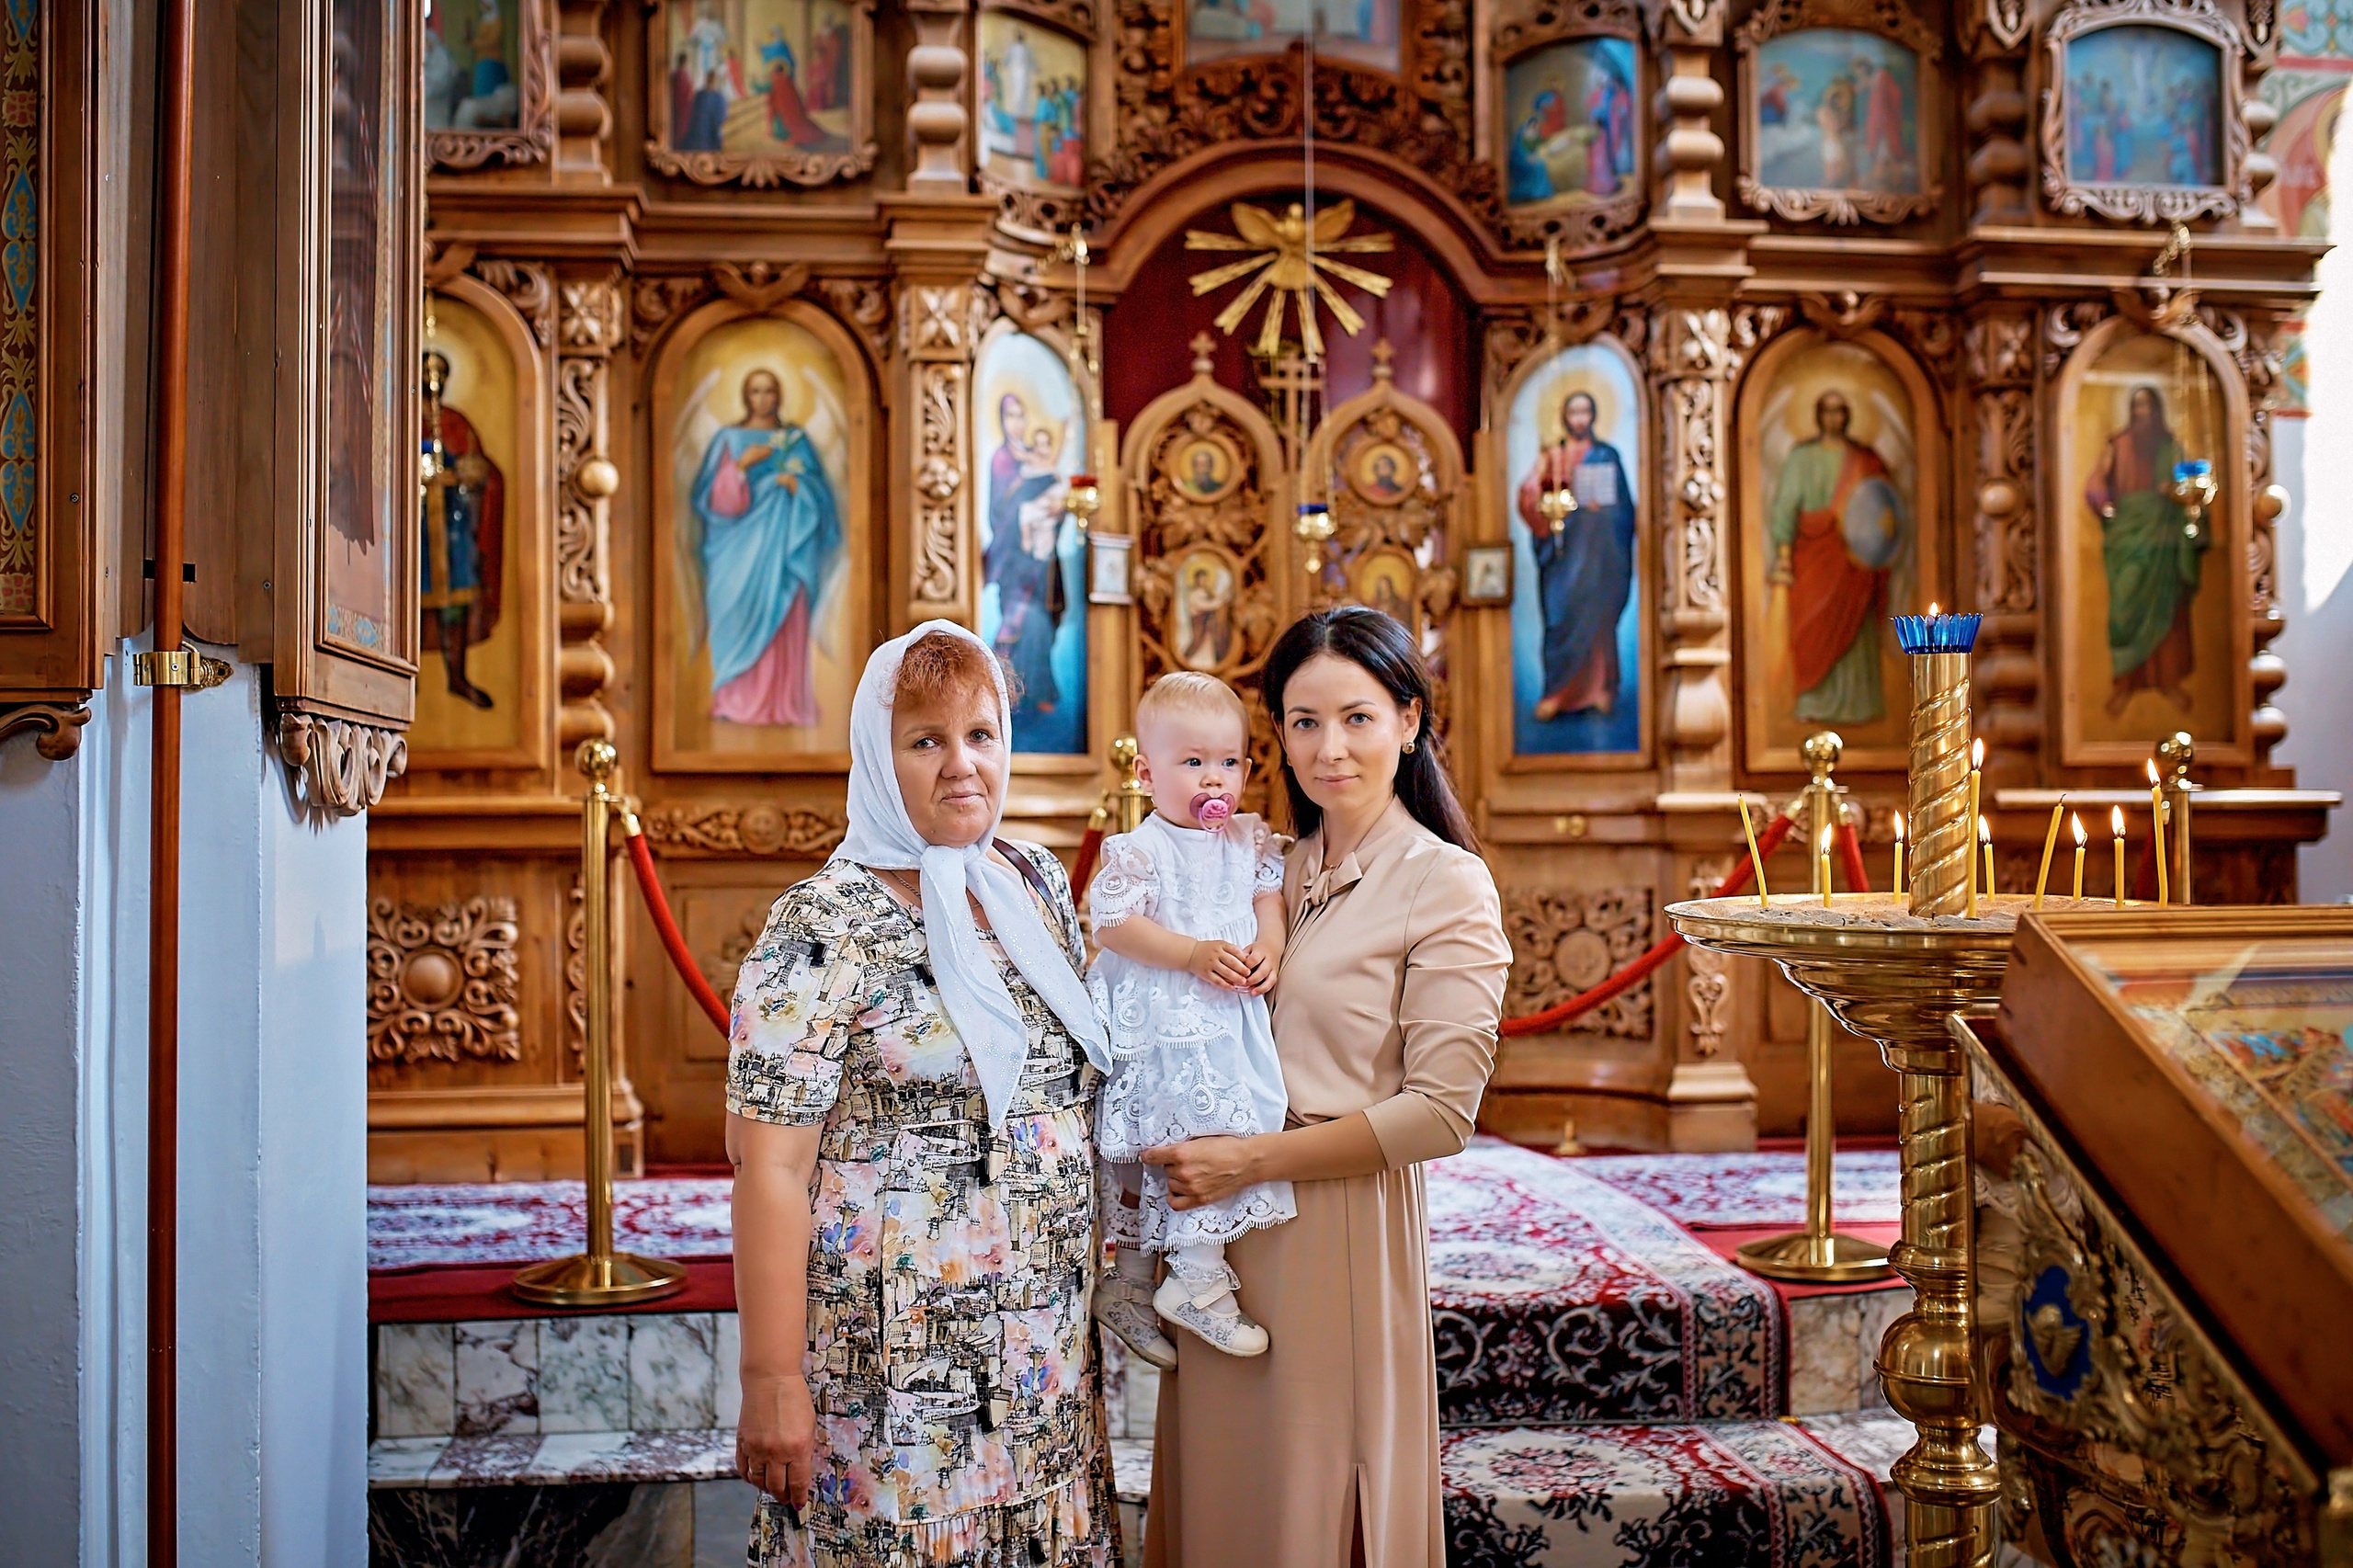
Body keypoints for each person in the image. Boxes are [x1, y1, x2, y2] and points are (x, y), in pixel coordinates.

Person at [728, 622, 1118, 1567]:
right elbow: (766, 1163)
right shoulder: (823, 921)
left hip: (1042, 1352)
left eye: (981, 734)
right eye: (925, 739)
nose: (962, 765)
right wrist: (771, 1376)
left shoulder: (1030, 885)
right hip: (897, 1370)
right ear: (876, 750)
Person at [1142, 608, 1511, 1568]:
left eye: (1355, 717)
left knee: (1313, 1506)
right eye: (1301, 722)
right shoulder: (1267, 865)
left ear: (1409, 720)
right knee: (1222, 1495)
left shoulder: (1445, 882)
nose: (1327, 746)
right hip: (1220, 1231)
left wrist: (1250, 1160)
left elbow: (1441, 1111)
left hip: (1336, 1225)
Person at [1088, 673, 1294, 1367]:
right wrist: (1190, 953)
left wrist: (1269, 949)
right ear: (1146, 774)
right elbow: (1114, 924)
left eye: (1230, 761)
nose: (1216, 779)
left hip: (1225, 1015)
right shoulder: (1140, 848)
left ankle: (1135, 1284)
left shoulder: (1248, 838)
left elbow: (1269, 903)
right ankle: (1197, 1281)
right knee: (1187, 1134)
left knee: (1223, 1126)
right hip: (1163, 1016)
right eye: (1193, 762)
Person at [689, 368, 842, 727]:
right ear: (745, 397)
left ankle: (786, 704)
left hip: (785, 553)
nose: (762, 399)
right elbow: (715, 503)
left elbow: (822, 503)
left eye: (769, 391)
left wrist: (796, 486)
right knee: (735, 619)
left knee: (785, 617)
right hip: (735, 553)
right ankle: (734, 701)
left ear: (779, 396)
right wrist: (743, 465)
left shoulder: (794, 439)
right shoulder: (728, 439)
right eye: (755, 391)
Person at [1766, 388, 1901, 725]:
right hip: (1814, 558)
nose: (1833, 418)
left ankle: (1860, 704)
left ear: (1847, 416)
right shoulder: (1802, 458)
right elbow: (1785, 508)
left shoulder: (1866, 460)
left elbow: (1883, 509)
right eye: (1827, 411)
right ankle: (1813, 701)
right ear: (1817, 416)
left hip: (1855, 563)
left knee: (1856, 631)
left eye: (1840, 411)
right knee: (1812, 629)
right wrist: (1783, 555)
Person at [2086, 384, 2207, 716]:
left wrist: (2175, 492)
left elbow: (2192, 491)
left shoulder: (2172, 448)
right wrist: (2103, 504)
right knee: (2125, 608)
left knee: (2168, 613)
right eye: (2136, 407)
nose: (2142, 414)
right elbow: (2097, 482)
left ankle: (2168, 681)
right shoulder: (2118, 444)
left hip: (2164, 538)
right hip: (2128, 534)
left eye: (2148, 407)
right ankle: (2125, 684)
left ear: (2157, 412)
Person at [1517, 390, 1634, 722]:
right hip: (1562, 558)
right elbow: (1529, 495)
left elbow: (1625, 509)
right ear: (1565, 417)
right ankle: (1557, 693)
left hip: (1599, 558)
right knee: (1560, 619)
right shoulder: (1553, 454)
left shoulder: (1606, 455)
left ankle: (1600, 690)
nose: (1580, 419)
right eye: (1574, 413)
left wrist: (1604, 512)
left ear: (1594, 416)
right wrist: (1540, 505)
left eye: (1585, 412)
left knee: (1597, 622)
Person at [419, 348, 505, 709]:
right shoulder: (399, 419)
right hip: (415, 533)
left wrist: (476, 472)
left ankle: (457, 676)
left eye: (439, 371)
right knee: (410, 600)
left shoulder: (456, 422)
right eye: (427, 371)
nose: (433, 379)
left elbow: (484, 471)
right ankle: (404, 678)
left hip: (453, 529)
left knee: (457, 600)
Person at [983, 400, 1071, 718]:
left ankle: (1040, 690)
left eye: (1021, 415)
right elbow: (1001, 511)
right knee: (1015, 621)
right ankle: (999, 692)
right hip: (1015, 562)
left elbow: (1060, 495)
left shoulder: (1039, 463)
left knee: (1042, 624)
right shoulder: (1006, 461)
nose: (1016, 423)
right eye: (1010, 416)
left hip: (1042, 559)